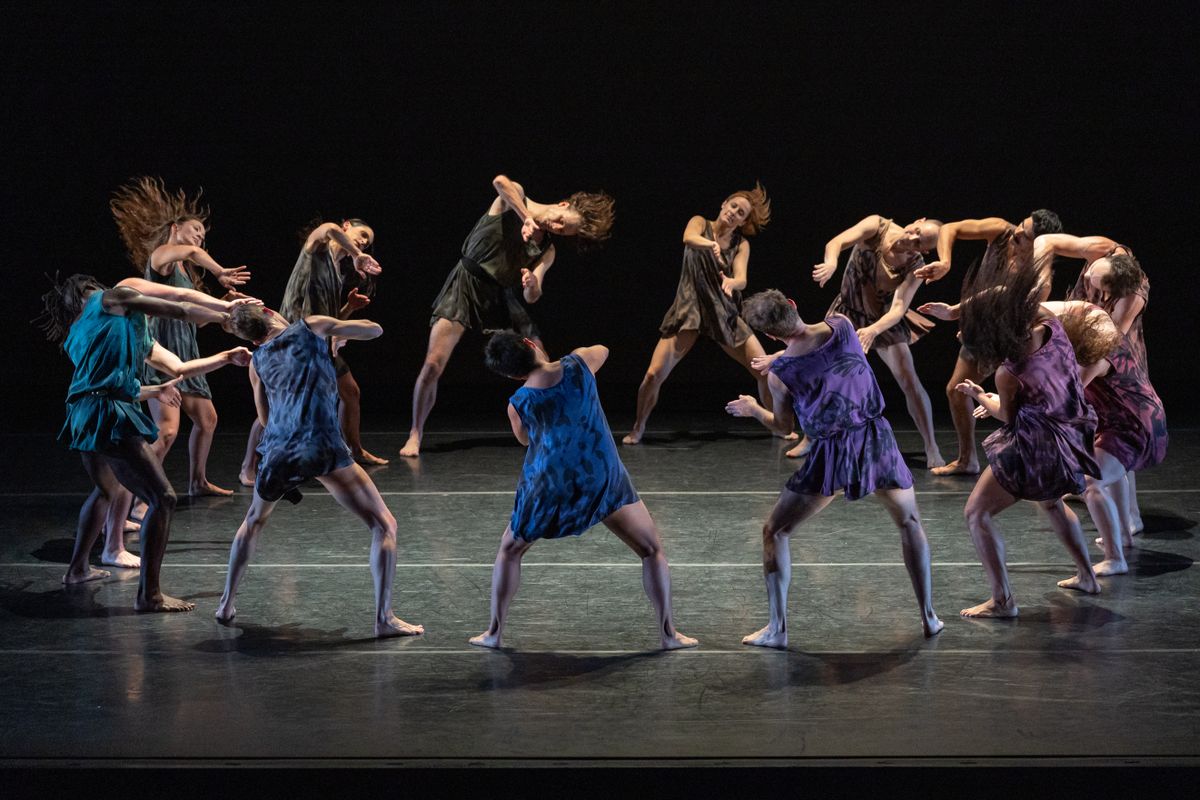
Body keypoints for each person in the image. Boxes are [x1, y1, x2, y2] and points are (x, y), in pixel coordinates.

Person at [725, 290, 942, 647]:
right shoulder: (842, 325)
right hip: (876, 441)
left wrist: (752, 408)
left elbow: (783, 427)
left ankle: (777, 629)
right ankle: (929, 616)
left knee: (775, 532)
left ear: (769, 335)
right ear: (793, 303)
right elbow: (816, 347)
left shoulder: (781, 375)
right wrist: (780, 356)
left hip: (832, 454)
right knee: (910, 522)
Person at [37, 275, 252, 612]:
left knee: (105, 490)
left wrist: (224, 357)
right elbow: (180, 308)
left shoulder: (88, 330)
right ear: (90, 290)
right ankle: (149, 596)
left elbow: (178, 368)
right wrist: (226, 313)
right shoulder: (111, 297)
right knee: (163, 498)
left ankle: (77, 569)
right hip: (107, 413)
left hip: (84, 412)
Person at [469, 332, 696, 650]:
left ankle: (494, 633)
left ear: (513, 375)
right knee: (651, 550)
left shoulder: (518, 402)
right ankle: (668, 635)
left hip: (549, 486)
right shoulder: (578, 364)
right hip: (600, 477)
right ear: (532, 344)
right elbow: (603, 349)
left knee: (509, 550)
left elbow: (525, 439)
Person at [216, 305, 422, 637]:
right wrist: (337, 333)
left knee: (253, 521)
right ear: (268, 311)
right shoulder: (310, 326)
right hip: (321, 444)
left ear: (252, 340)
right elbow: (375, 329)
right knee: (385, 525)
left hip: (279, 451)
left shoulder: (257, 362)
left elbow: (265, 419)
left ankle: (226, 604)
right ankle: (384, 618)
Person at [400, 175, 615, 457]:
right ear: (563, 205)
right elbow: (500, 181)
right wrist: (526, 218)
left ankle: (549, 429)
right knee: (433, 364)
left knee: (543, 361)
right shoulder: (517, 198)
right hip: (466, 284)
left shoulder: (546, 249)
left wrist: (532, 285)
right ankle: (415, 433)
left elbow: (532, 296)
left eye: (564, 232)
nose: (557, 228)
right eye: (562, 221)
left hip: (501, 295)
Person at [947, 253, 1102, 618]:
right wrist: (957, 312)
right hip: (1069, 433)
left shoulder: (1009, 372)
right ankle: (1088, 576)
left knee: (976, 513)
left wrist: (980, 396)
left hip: (1036, 446)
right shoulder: (1049, 323)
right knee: (1051, 503)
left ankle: (1002, 601)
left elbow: (1006, 416)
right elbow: (1008, 296)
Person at [110, 176, 253, 502]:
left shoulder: (187, 274)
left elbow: (195, 319)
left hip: (188, 354)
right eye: (196, 230)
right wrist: (219, 271)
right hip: (162, 354)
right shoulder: (162, 256)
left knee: (207, 419)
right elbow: (189, 251)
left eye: (203, 234)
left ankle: (197, 482)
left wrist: (225, 310)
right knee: (167, 432)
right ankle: (141, 498)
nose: (200, 237)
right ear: (176, 228)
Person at [622, 184, 787, 445]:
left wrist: (732, 282)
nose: (734, 212)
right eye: (733, 206)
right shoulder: (700, 223)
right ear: (724, 204)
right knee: (653, 375)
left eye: (741, 213)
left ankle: (777, 425)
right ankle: (638, 426)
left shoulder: (741, 244)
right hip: (690, 309)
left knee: (765, 371)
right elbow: (688, 237)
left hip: (724, 312)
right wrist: (711, 245)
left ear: (743, 222)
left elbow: (742, 278)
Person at [912, 210, 1062, 475]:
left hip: (1012, 336)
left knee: (1021, 401)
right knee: (956, 391)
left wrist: (958, 312)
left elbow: (1010, 301)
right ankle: (967, 460)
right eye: (1021, 224)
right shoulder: (1002, 230)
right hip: (982, 326)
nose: (1017, 232)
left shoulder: (1040, 273)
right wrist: (945, 262)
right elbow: (950, 227)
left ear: (1039, 242)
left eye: (1025, 235)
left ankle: (1040, 461)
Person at [1039, 233, 1160, 539]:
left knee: (1119, 435)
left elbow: (1112, 337)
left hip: (1111, 362)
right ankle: (1105, 490)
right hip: (1088, 348)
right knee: (1102, 435)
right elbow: (1046, 241)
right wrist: (1040, 280)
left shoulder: (1132, 293)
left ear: (1112, 288)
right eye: (1088, 278)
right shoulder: (1099, 251)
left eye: (1098, 288)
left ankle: (1129, 515)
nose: (1089, 288)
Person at [807, 215, 945, 466]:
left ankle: (931, 446)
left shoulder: (916, 265)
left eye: (919, 242)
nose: (912, 238)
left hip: (882, 320)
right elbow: (836, 242)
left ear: (924, 250)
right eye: (916, 230)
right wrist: (831, 263)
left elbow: (899, 308)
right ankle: (810, 438)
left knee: (908, 378)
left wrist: (872, 330)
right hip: (847, 312)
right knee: (824, 377)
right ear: (918, 220)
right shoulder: (878, 226)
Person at [274, 217, 386, 467]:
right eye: (362, 234)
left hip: (320, 343)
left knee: (350, 392)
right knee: (289, 404)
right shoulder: (318, 248)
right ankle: (256, 463)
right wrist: (357, 254)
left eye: (367, 242)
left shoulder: (337, 273)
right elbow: (329, 228)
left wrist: (349, 307)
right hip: (296, 337)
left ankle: (354, 450)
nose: (364, 242)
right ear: (346, 226)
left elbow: (332, 322)